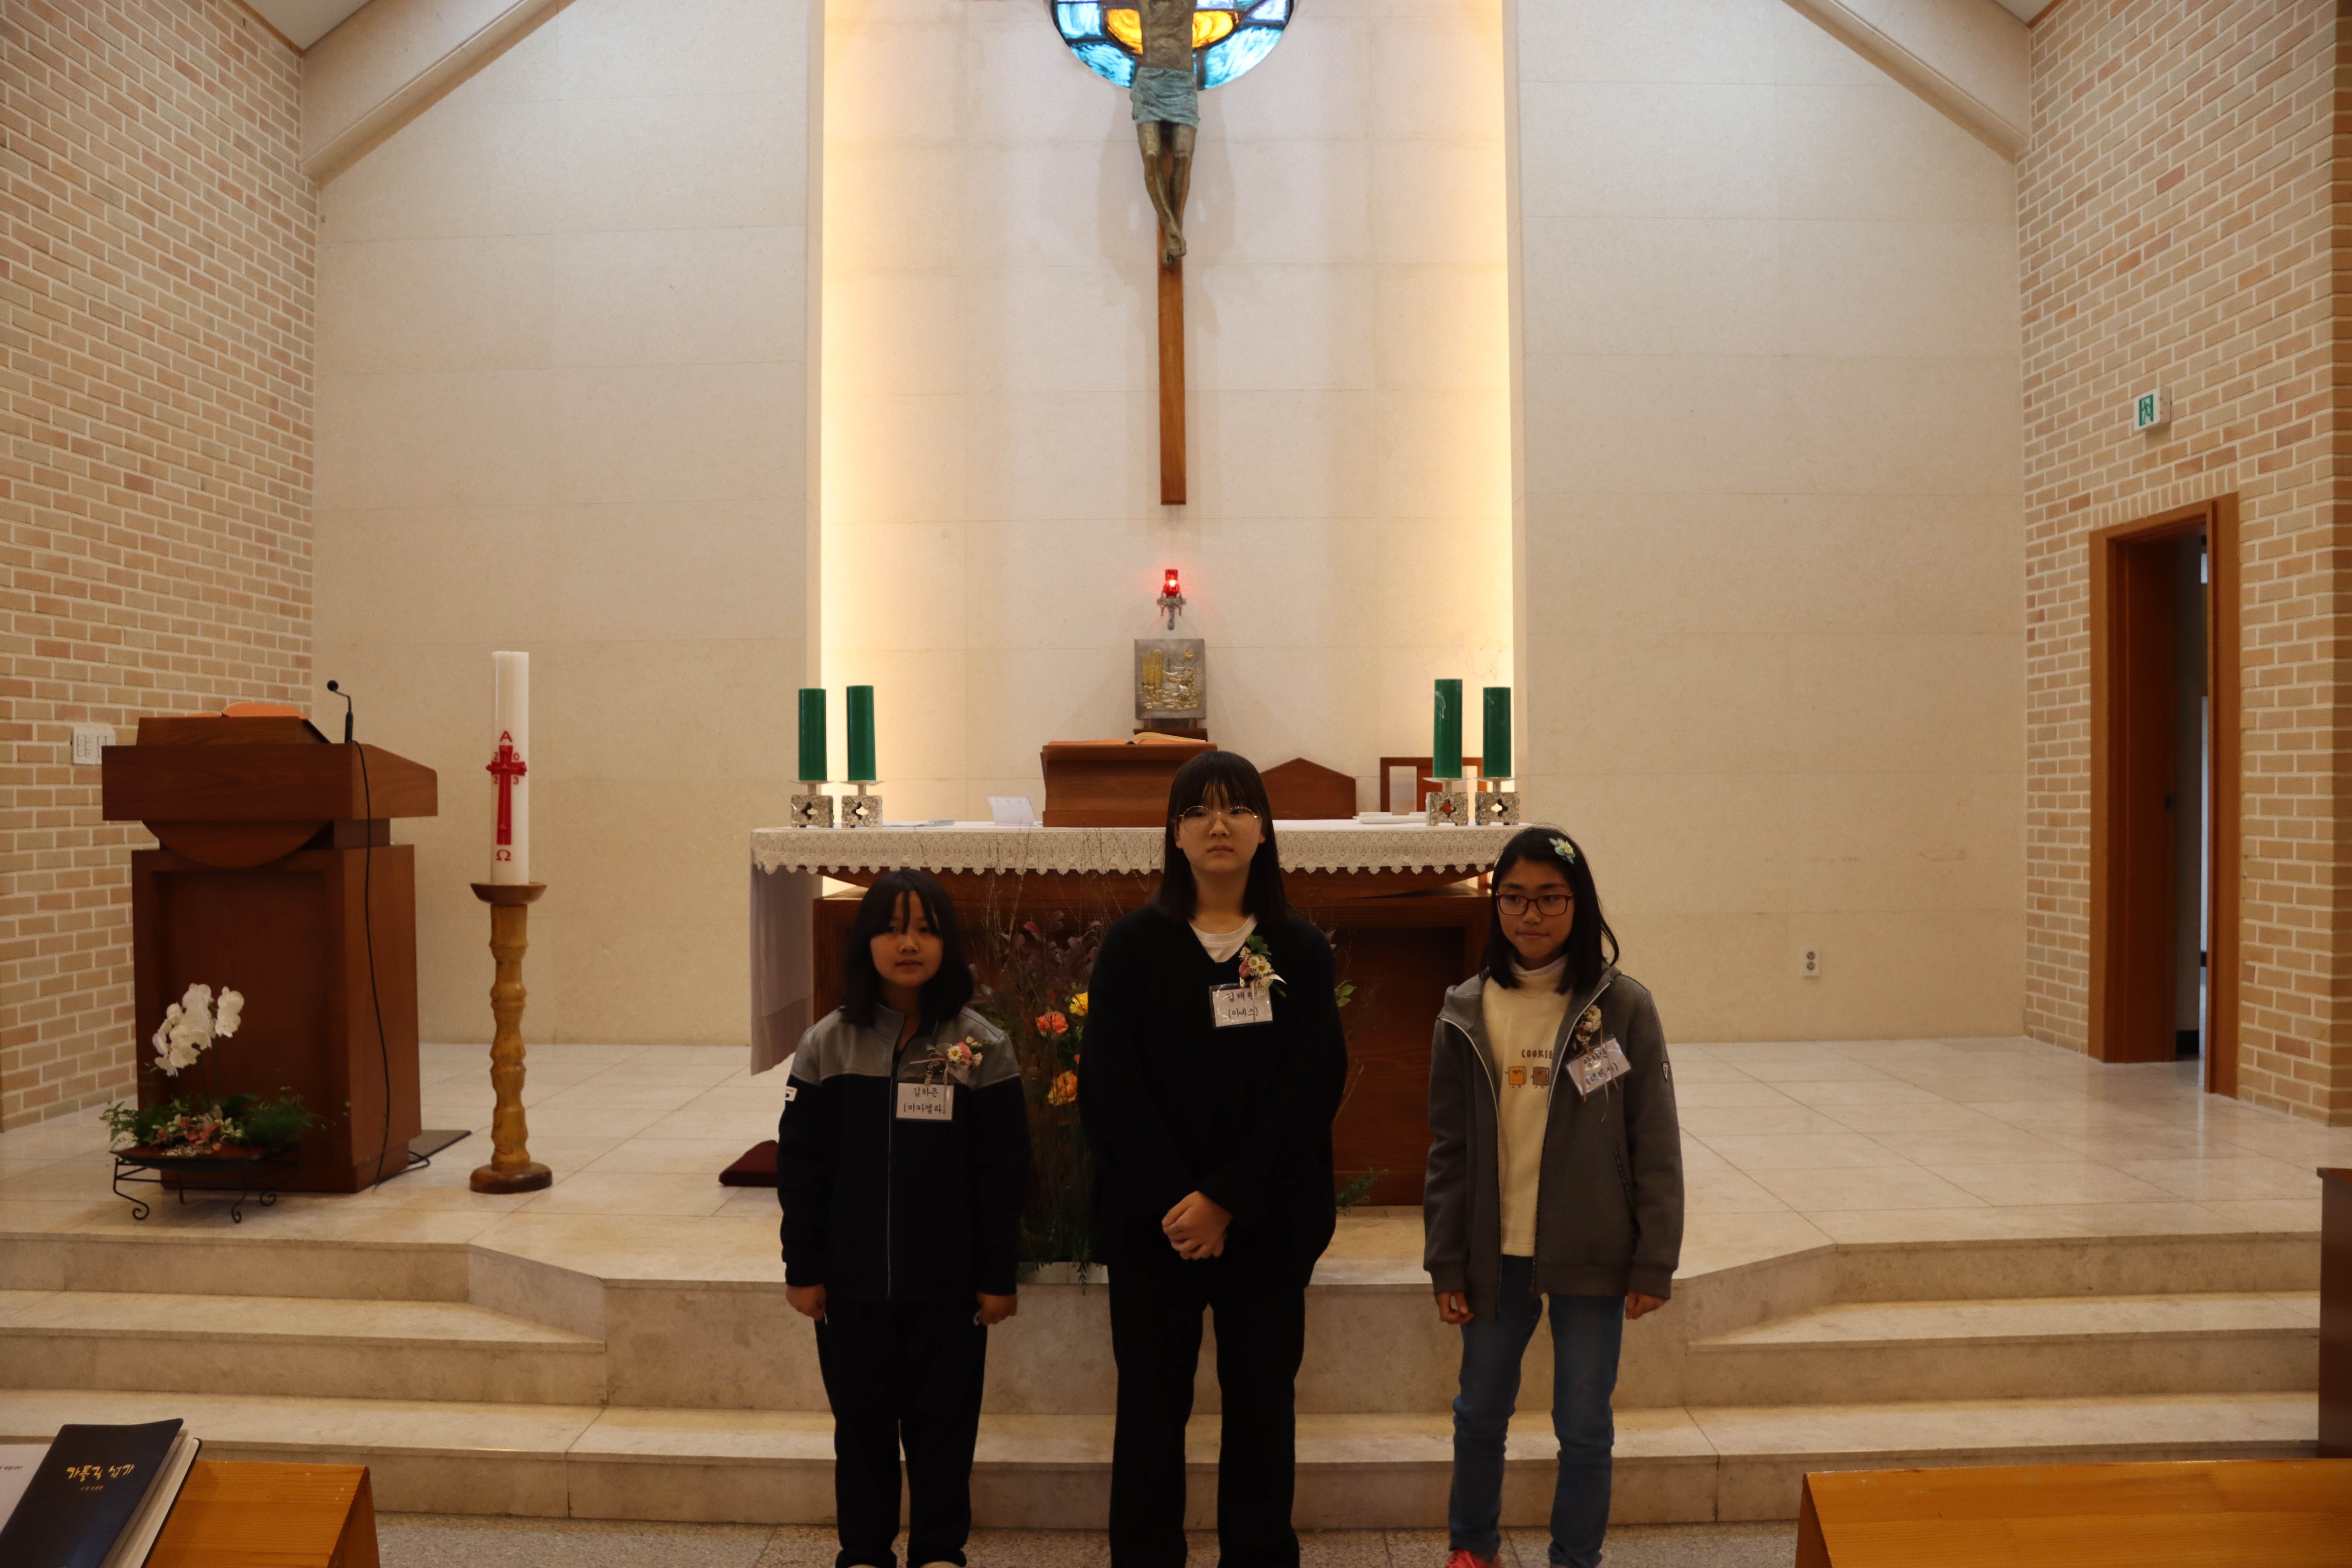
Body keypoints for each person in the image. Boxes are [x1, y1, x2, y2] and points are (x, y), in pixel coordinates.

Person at [1079, 750, 1349, 1568]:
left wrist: (1227, 1198)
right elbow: (1110, 1089)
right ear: (1175, 834)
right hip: (1154, 1225)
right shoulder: (1134, 946)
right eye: (1199, 810)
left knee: (1263, 1407)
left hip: (1266, 1221)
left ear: (1264, 831)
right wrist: (1182, 1204)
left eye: (1237, 808)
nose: (1218, 824)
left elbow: (1311, 1088)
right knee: (1150, 1410)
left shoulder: (1299, 949)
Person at [1422, 827, 1684, 1568]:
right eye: (1514, 898)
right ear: (1496, 905)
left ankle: (1575, 1558)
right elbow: (1448, 1150)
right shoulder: (1466, 1008)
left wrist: (1654, 1258)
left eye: (1549, 898)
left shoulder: (1621, 1007)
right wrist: (1446, 1260)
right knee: (1479, 1412)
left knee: (1584, 1425)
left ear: (1580, 904)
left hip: (1592, 1246)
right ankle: (1473, 1549)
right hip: (1495, 1250)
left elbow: (1654, 1140)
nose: (1530, 915)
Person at [776, 869, 1031, 1568]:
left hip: (948, 1288)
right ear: (866, 943)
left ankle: (940, 1550)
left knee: (944, 1427)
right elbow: (801, 1170)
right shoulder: (826, 1044)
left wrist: (997, 1276)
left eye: (925, 929)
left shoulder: (983, 1046)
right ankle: (864, 1549)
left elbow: (1003, 1175)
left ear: (949, 944)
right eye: (892, 929)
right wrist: (804, 1267)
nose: (908, 944)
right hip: (851, 1285)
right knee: (861, 1427)